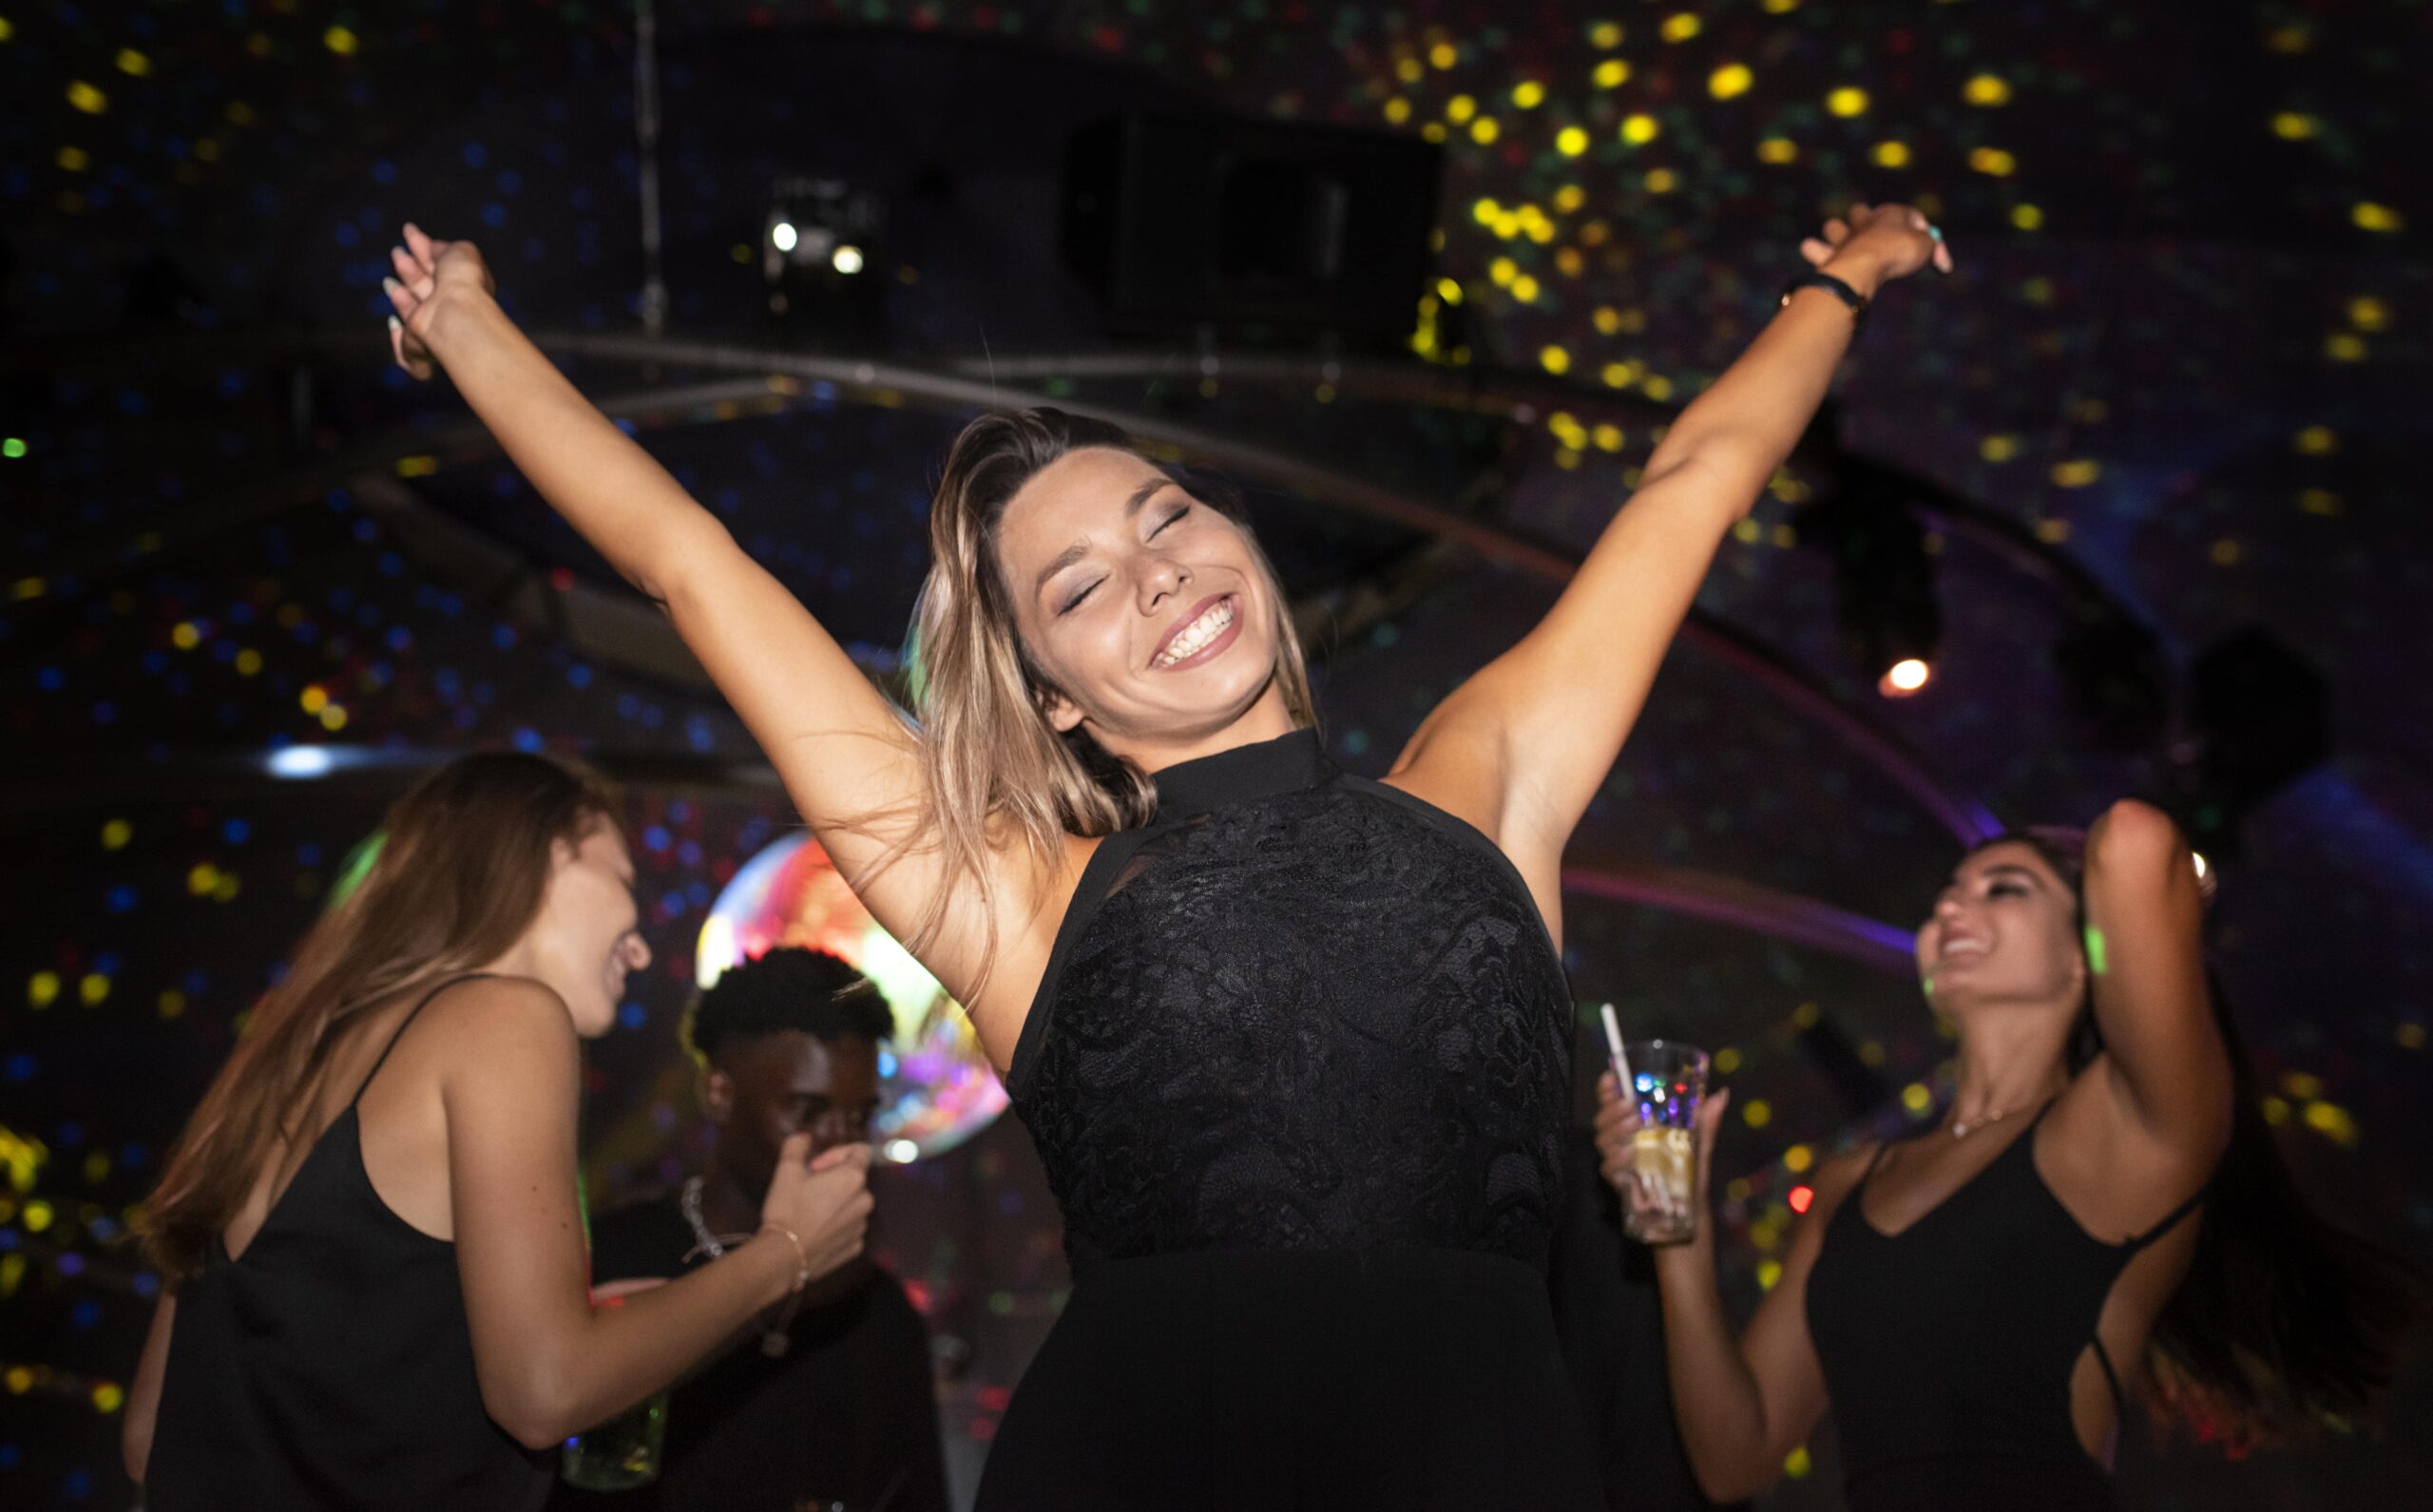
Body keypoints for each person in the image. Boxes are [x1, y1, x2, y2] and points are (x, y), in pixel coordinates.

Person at [378, 201, 1951, 1508]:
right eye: (1077, 586)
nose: (1156, 572)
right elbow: (694, 568)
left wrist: (1837, 282)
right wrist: (474, 333)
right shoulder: (1013, 892)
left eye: (1166, 513)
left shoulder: (1486, 783)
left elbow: (1694, 481)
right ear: (1055, 695)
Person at [1597, 802, 2423, 1511]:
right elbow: (1735, 1455)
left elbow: (2136, 839)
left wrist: (2134, 912)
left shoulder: (2127, 1124)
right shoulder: (1852, 1181)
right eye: (1945, 896)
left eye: (2004, 888)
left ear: (2083, 949)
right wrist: (1679, 1228)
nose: (1951, 909)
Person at [124, 753, 874, 1511]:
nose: (641, 947)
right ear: (554, 850)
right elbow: (545, 1390)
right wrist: (788, 1253)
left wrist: (529, 1323)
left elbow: (152, 1433)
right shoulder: (505, 1014)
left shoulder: (282, 1060)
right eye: (625, 886)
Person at [551, 947, 948, 1512]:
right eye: (806, 1112)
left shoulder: (879, 1310)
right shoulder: (608, 1258)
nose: (842, 1147)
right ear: (718, 1093)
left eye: (859, 1116)